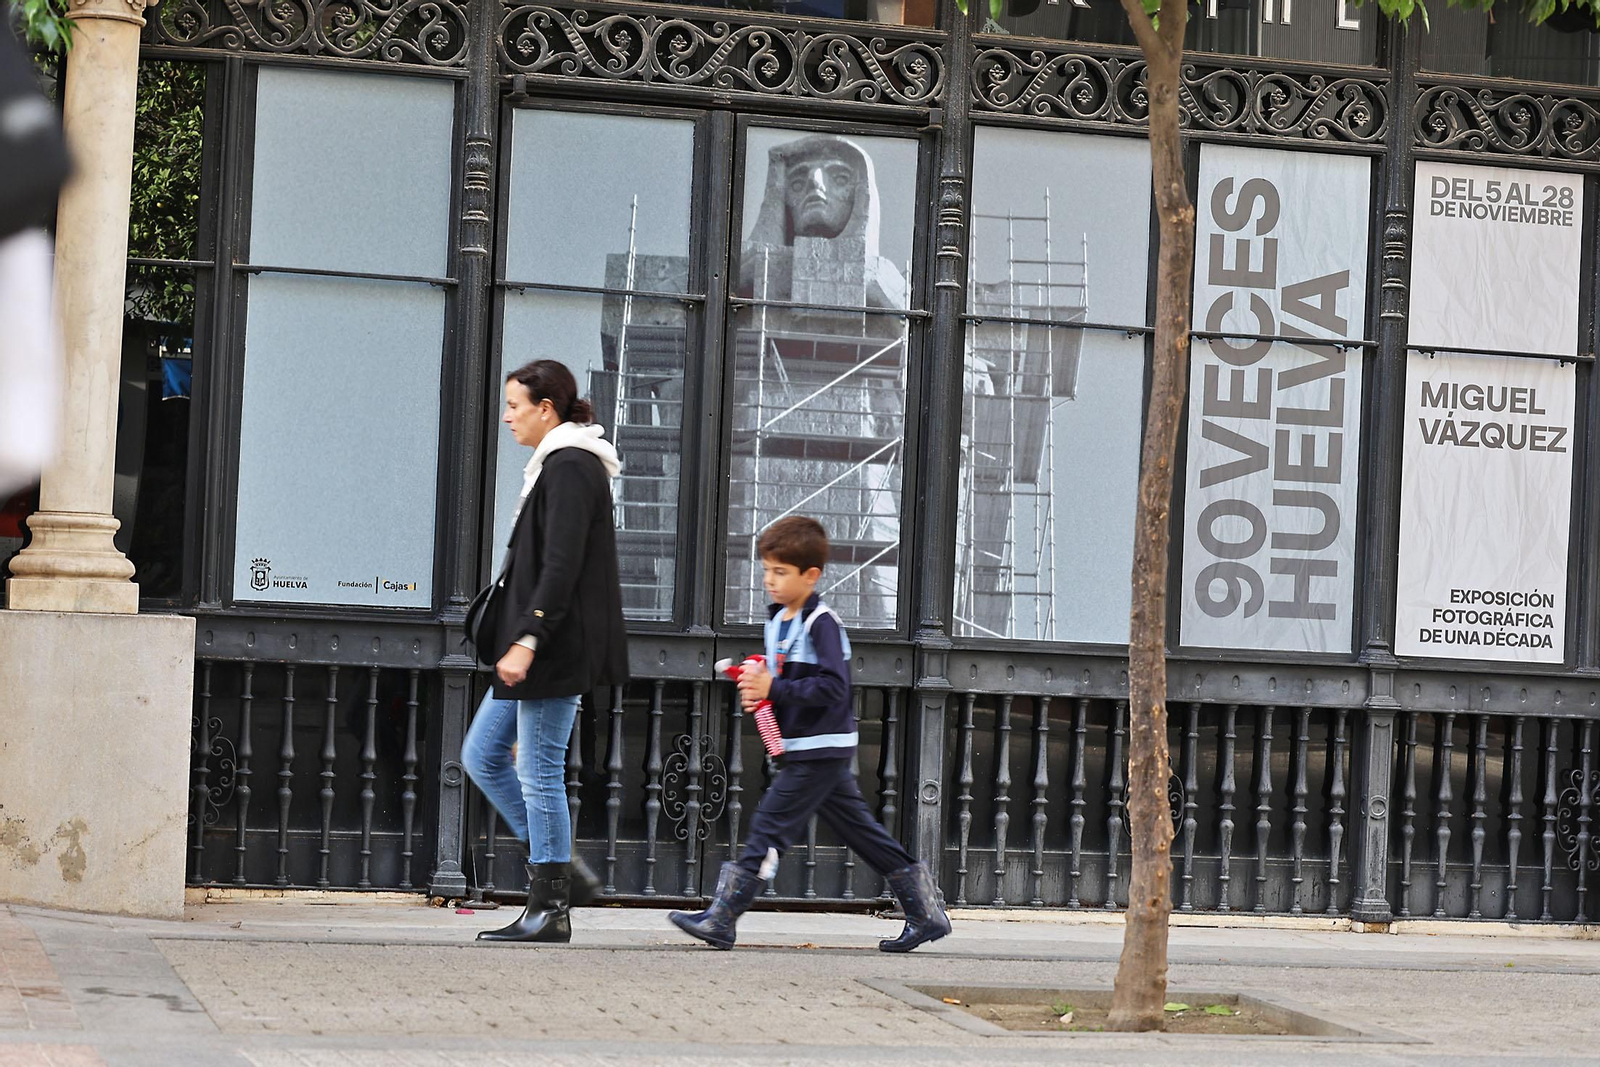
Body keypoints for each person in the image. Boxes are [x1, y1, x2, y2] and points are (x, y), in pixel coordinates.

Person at [667, 516, 950, 952]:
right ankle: (926, 913)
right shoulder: (779, 620)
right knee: (862, 833)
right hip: (810, 749)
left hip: (819, 749)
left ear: (810, 575)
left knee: (768, 824)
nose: (770, 581)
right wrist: (759, 682)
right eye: (766, 570)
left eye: (780, 572)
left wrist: (773, 687)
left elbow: (834, 687)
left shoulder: (822, 623)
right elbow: (784, 678)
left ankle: (723, 918)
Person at [461, 360, 629, 943]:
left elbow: (561, 565)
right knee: (483, 754)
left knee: (538, 771)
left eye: (515, 406)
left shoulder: (573, 466)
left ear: (545, 408)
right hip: (536, 644)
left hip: (553, 646)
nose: (508, 417)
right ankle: (561, 868)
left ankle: (550, 905)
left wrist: (528, 637)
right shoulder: (556, 465)